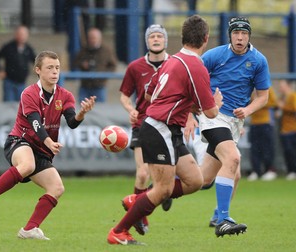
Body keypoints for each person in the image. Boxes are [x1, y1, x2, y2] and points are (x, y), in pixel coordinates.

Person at [107, 15, 223, 245]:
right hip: (160, 129)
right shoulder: (195, 66)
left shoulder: (173, 60)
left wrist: (183, 104)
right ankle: (118, 231)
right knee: (163, 189)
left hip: (169, 129)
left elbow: (149, 94)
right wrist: (216, 104)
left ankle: (137, 200)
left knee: (195, 181)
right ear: (206, 39)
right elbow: (210, 112)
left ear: (181, 37)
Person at [0, 51, 96, 240]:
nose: (55, 72)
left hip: (42, 151)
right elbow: (35, 123)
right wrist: (49, 142)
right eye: (49, 68)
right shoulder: (29, 93)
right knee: (27, 164)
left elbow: (71, 122)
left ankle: (29, 229)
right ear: (38, 70)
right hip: (20, 141)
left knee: (57, 188)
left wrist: (81, 114)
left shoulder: (65, 95)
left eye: (57, 68)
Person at [197, 16, 271, 237]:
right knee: (233, 159)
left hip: (234, 122)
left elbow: (263, 97)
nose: (240, 37)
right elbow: (193, 79)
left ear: (249, 36)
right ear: (230, 35)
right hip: (213, 115)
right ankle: (223, 220)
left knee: (203, 179)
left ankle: (161, 189)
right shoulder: (215, 55)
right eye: (236, 33)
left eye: (244, 33)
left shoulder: (258, 60)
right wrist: (195, 109)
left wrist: (247, 111)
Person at [119, 24, 171, 236]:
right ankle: (139, 216)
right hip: (142, 124)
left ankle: (166, 193)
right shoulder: (135, 67)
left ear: (165, 41)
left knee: (167, 179)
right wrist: (131, 109)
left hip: (168, 125)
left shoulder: (175, 64)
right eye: (152, 37)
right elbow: (124, 95)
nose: (156, 39)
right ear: (147, 41)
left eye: (160, 36)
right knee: (142, 174)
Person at [0, 25, 36, 102]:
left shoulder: (28, 49)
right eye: (20, 34)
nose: (22, 37)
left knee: (21, 107)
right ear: (16, 35)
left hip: (22, 83)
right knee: (8, 106)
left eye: (24, 34)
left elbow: (36, 61)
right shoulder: (8, 47)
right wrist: (0, 70)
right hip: (9, 82)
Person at [73, 27, 118, 102]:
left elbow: (113, 66)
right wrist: (83, 64)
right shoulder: (84, 50)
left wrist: (104, 74)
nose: (92, 40)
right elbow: (75, 62)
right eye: (90, 38)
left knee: (100, 110)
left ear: (99, 38)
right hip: (85, 85)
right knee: (82, 108)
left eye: (94, 38)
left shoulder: (107, 51)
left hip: (99, 86)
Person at [247, 86, 279, 181]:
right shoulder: (251, 89)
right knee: (254, 148)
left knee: (267, 147)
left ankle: (270, 170)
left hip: (265, 122)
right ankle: (256, 171)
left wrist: (258, 103)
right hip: (254, 123)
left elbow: (274, 103)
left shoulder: (267, 88)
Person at [277, 79, 296, 180]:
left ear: (287, 86)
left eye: (282, 86)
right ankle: (290, 171)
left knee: (291, 151)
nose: (280, 88)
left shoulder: (292, 96)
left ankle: (293, 171)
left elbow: (294, 108)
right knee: (287, 151)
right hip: (284, 129)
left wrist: (283, 107)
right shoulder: (282, 97)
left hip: (292, 129)